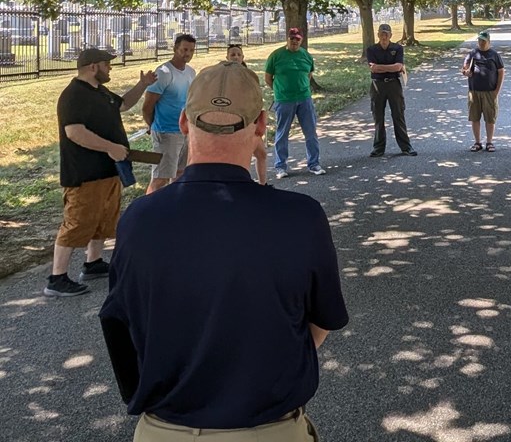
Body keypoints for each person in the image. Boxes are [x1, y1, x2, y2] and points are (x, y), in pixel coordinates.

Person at [99, 61, 348, 441]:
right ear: (262, 124)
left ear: (184, 122)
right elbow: (321, 322)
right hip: (270, 429)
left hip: (163, 429)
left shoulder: (139, 219)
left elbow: (122, 327)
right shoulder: (300, 217)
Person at [44, 49, 157, 298]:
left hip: (109, 170)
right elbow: (74, 132)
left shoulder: (100, 91)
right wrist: (110, 147)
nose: (110, 68)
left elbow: (124, 104)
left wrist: (142, 84)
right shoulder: (73, 95)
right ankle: (57, 277)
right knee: (77, 222)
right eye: (107, 64)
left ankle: (92, 263)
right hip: (84, 173)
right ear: (93, 67)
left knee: (104, 220)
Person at [265, 27, 325, 179]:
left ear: (301, 40)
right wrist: (280, 90)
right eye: (292, 38)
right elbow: (268, 78)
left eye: (297, 39)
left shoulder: (306, 56)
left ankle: (314, 164)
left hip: (304, 98)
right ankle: (280, 166)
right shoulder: (276, 56)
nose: (294, 41)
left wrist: (302, 87)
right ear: (287, 39)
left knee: (310, 132)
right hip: (284, 100)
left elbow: (309, 74)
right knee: (282, 133)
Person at [142, 34, 196, 193]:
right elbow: (147, 106)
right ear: (175, 49)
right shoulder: (164, 72)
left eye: (191, 50)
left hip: (185, 130)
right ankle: (148, 209)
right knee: (160, 178)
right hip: (166, 132)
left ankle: (173, 207)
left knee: (180, 174)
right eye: (184, 49)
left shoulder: (191, 72)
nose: (188, 53)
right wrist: (152, 126)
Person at [366, 23, 417, 157]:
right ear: (378, 35)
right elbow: (373, 68)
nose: (384, 37)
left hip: (394, 84)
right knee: (378, 117)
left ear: (390, 35)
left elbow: (399, 66)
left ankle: (406, 147)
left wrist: (382, 67)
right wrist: (391, 67)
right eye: (382, 34)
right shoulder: (371, 50)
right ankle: (378, 148)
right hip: (378, 85)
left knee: (398, 115)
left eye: (386, 34)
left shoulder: (397, 48)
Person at [227, 43, 267, 184]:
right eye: (232, 54)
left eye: (238, 54)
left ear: (243, 57)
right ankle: (241, 186)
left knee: (261, 154)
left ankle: (263, 185)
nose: (236, 57)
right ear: (227, 57)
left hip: (251, 119)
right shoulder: (224, 75)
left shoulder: (248, 74)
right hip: (235, 122)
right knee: (240, 158)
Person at [462, 31, 505, 152]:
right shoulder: (473, 53)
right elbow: (465, 68)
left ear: (488, 42)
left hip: (490, 91)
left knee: (490, 118)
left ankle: (490, 142)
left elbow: (501, 72)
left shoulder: (494, 55)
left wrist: (497, 90)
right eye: (479, 40)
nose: (481, 43)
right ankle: (477, 142)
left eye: (483, 41)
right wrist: (465, 72)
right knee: (475, 117)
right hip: (474, 91)